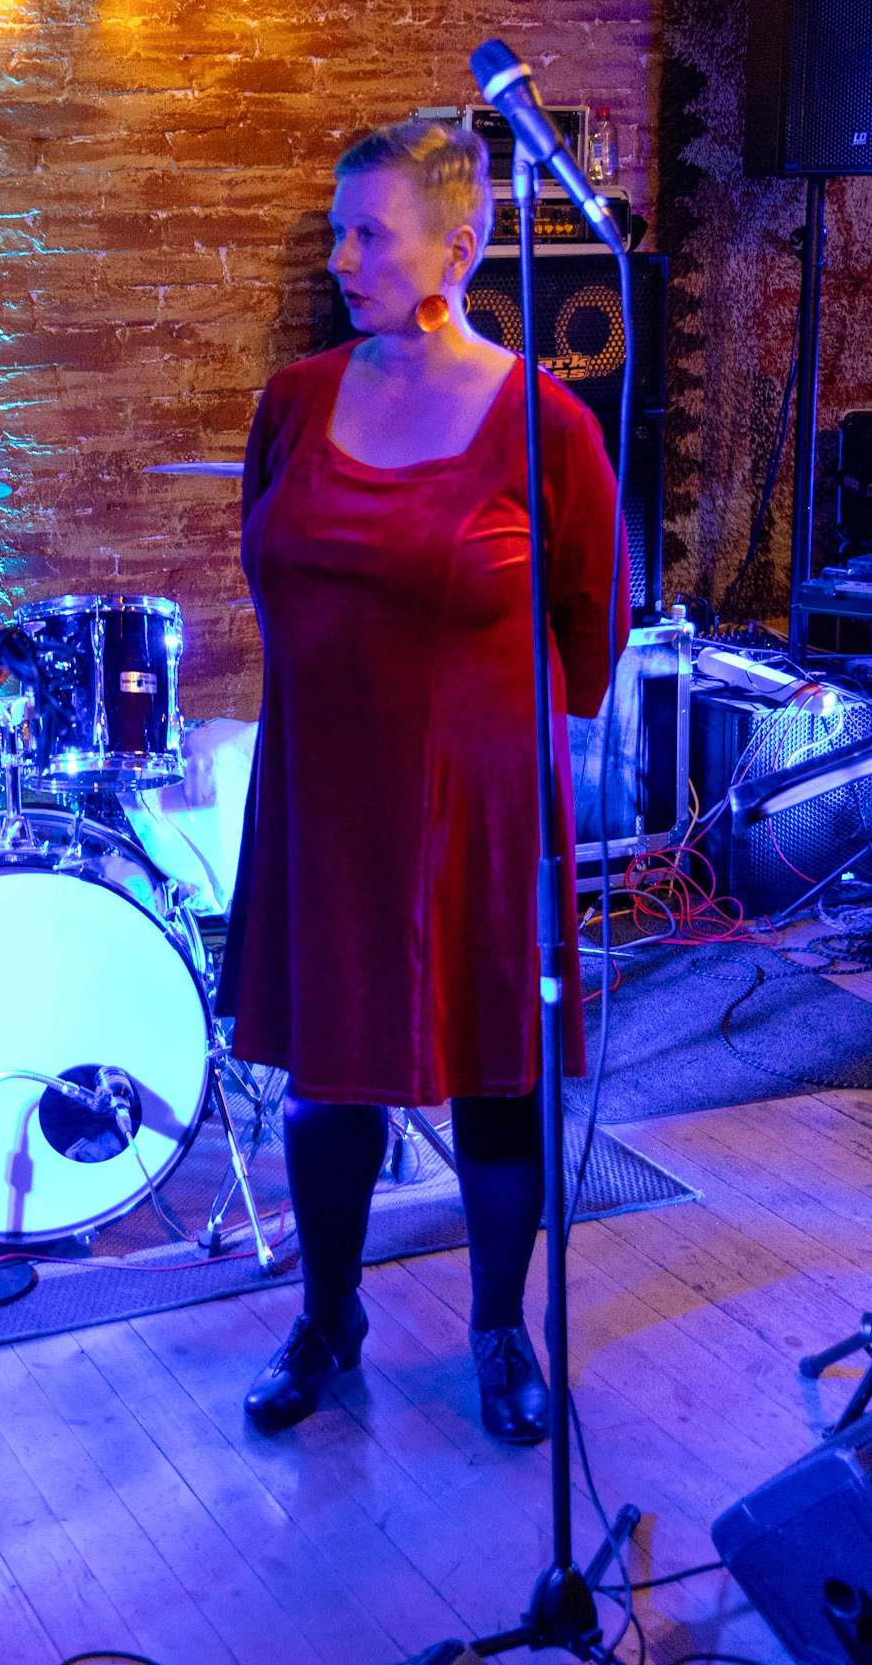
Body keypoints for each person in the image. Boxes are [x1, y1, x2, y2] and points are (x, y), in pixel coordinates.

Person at [219, 119, 626, 1442]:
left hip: (479, 807)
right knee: (326, 1076)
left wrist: (490, 735)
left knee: (498, 1076)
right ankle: (327, 1314)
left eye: (367, 235)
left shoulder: (544, 422)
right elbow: (268, 564)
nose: (339, 259)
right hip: (324, 794)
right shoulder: (294, 402)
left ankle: (499, 1329)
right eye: (337, 231)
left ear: (458, 247)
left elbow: (591, 622)